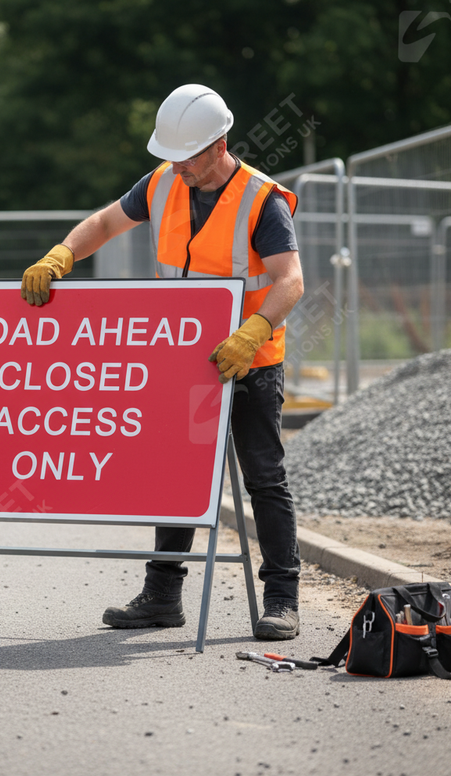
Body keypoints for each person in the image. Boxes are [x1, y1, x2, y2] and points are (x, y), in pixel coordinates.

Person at [20, 84, 304, 641]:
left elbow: (289, 279)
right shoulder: (163, 182)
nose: (178, 167)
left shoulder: (262, 200)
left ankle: (282, 599)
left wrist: (253, 332)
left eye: (189, 156)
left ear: (220, 145)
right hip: (184, 363)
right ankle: (161, 597)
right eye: (171, 156)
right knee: (178, 475)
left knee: (264, 478)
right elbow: (105, 224)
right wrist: (62, 254)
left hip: (250, 362)